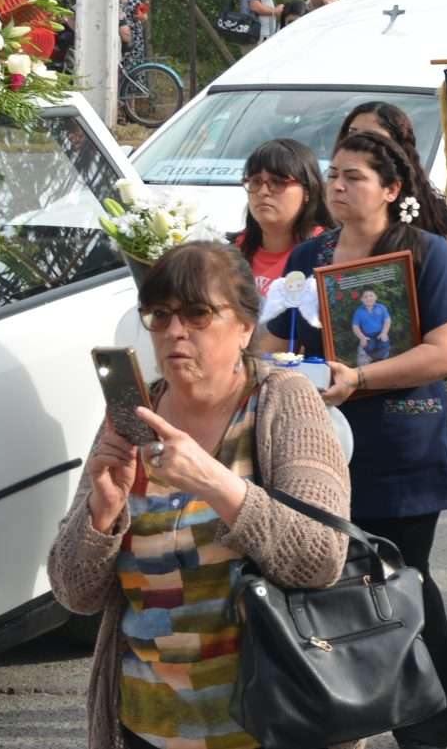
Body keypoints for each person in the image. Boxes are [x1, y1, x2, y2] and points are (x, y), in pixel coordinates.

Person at [50, 241, 351, 749]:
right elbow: (74, 593)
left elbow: (321, 558)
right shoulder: (135, 414)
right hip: (146, 729)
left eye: (198, 313)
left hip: (268, 727)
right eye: (160, 315)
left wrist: (213, 480)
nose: (174, 332)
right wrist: (102, 515)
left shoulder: (283, 402)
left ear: (244, 327)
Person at [257, 131, 447, 749]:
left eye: (353, 176)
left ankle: (428, 726)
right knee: (327, 587)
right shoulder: (310, 257)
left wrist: (363, 377)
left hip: (401, 447)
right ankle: (341, 713)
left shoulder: (426, 254)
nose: (339, 186)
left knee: (404, 586)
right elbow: (272, 340)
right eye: (334, 174)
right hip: (317, 451)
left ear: (392, 189)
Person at [341, 100, 447, 239]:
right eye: (352, 133)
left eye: (372, 137)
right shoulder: (332, 198)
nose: (358, 143)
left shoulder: (430, 221)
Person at [234, 138, 329, 293]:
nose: (263, 192)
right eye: (256, 181)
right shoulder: (232, 253)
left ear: (308, 191)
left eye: (278, 182)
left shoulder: (327, 253)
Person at [118, 0, 147, 67]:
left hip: (136, 39)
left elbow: (144, 13)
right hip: (120, 39)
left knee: (136, 66)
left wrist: (142, 16)